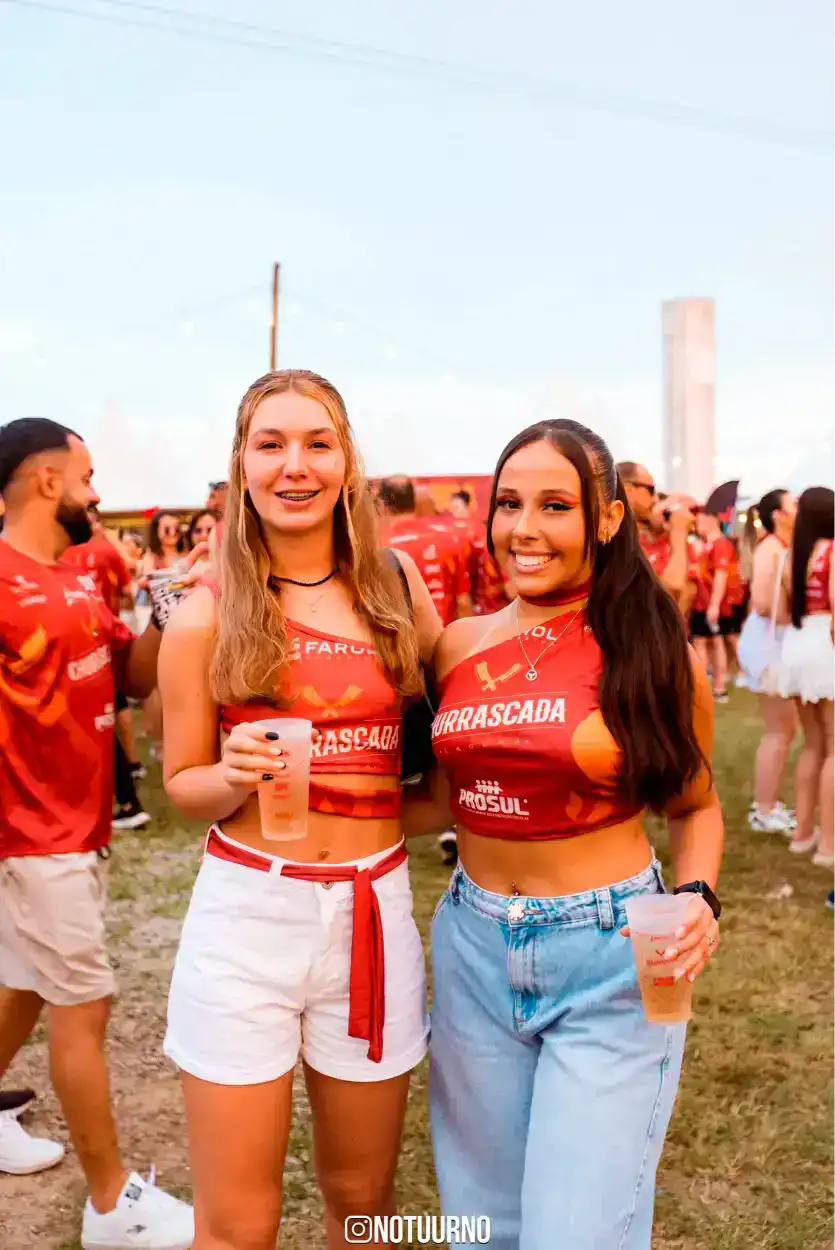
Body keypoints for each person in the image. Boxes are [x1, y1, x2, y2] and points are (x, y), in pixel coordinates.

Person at [416, 420, 722, 1249]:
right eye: (508, 503)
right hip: (472, 949)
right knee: (483, 1227)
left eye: (555, 505)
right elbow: (435, 800)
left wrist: (697, 896)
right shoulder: (457, 645)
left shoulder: (650, 649)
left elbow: (694, 806)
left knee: (575, 1233)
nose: (524, 528)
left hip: (610, 955)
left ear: (608, 517)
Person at [159, 370, 441, 1250]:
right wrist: (230, 774)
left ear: (347, 461)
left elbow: (458, 718)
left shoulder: (395, 585)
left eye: (317, 444)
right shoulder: (204, 610)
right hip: (247, 918)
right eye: (270, 444)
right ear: (241, 463)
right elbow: (182, 787)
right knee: (239, 1223)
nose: (295, 466)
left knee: (362, 1202)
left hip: (371, 913)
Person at [0, 418, 194, 1247]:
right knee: (85, 1000)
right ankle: (112, 1204)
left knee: (27, 985)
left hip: (79, 829)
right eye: (85, 478)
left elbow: (131, 677)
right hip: (30, 836)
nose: (95, 493)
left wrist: (166, 612)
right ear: (47, 481)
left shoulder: (77, 578)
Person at [63, 506, 151, 829]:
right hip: (102, 639)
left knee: (98, 720)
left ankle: (122, 798)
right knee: (112, 712)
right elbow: (128, 589)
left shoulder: (64, 557)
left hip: (86, 644)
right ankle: (129, 784)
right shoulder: (103, 551)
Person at [779, 487, 835, 867]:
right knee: (833, 746)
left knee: (813, 743)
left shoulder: (793, 554)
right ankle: (829, 845)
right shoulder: (833, 550)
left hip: (798, 643)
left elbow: (785, 610)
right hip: (825, 643)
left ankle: (802, 834)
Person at [738, 490, 798, 835]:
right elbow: (762, 602)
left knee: (784, 729)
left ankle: (768, 804)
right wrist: (794, 615)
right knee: (780, 729)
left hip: (770, 644)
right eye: (793, 505)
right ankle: (764, 809)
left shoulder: (778, 546)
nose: (799, 509)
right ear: (778, 515)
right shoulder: (771, 548)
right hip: (768, 646)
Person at [378, 475, 473, 625]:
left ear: (382, 505)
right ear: (415, 502)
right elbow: (463, 603)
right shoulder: (448, 538)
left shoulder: (379, 546)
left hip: (401, 637)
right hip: (446, 634)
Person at [617, 461, 693, 602]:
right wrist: (679, 532)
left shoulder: (635, 533)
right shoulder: (618, 537)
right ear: (628, 490)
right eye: (651, 490)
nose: (655, 499)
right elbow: (670, 590)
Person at [690, 509, 742, 702]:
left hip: (711, 603)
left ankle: (719, 686)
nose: (696, 524)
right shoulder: (707, 545)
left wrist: (714, 604)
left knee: (715, 641)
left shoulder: (720, 544)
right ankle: (710, 686)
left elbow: (721, 575)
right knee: (704, 642)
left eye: (699, 520)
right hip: (701, 602)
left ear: (711, 520)